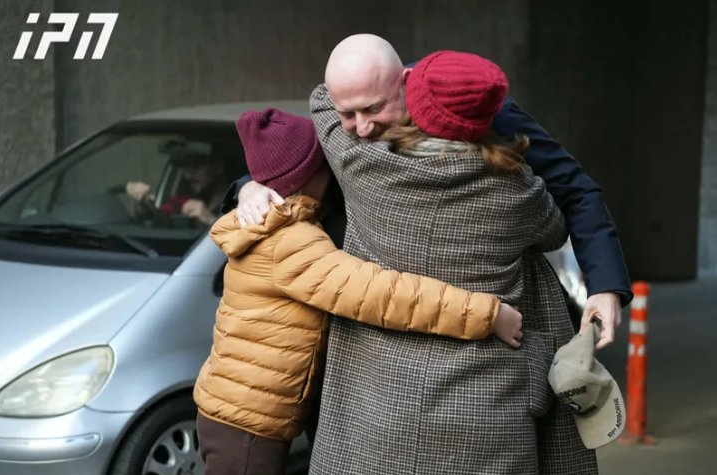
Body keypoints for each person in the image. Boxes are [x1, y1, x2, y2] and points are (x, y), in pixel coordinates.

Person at [236, 48, 603, 473]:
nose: (362, 124)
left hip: (376, 412)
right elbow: (555, 230)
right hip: (487, 412)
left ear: (409, 97)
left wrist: (397, 76)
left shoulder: (358, 162)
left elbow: (322, 98)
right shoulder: (520, 193)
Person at [238, 35, 631, 347]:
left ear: (404, 82)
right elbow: (294, 163)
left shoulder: (481, 114)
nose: (361, 128)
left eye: (373, 110)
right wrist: (250, 186)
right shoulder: (339, 124)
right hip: (367, 324)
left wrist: (605, 288)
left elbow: (576, 190)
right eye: (347, 114)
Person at [193, 108, 524, 475]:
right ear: (312, 175)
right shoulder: (292, 243)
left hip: (236, 413)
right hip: (247, 426)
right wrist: (487, 314)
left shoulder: (271, 225)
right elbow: (382, 294)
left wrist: (249, 185)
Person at [126, 140, 229, 226]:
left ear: (217, 168)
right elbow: (161, 214)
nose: (187, 175)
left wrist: (211, 220)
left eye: (195, 166)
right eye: (185, 168)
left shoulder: (235, 204)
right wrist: (144, 202)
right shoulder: (183, 200)